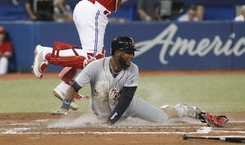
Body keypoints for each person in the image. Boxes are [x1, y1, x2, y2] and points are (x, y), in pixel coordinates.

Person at [32, 0, 185, 106]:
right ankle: (46, 54)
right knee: (93, 59)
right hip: (95, 11)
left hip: (86, 7)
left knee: (97, 58)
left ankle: (65, 86)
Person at [51, 36, 229, 128]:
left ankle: (186, 109)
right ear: (117, 52)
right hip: (103, 109)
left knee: (162, 119)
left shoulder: (133, 69)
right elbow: (73, 87)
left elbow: (126, 100)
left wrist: (110, 122)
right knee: (104, 94)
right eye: (128, 52)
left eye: (132, 52)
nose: (131, 55)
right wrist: (64, 108)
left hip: (127, 106)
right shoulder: (95, 66)